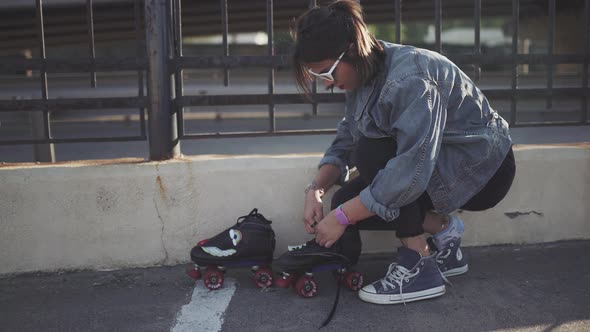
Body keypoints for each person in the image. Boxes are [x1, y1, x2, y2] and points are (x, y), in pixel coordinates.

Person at [290, 0, 515, 304]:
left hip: (482, 171)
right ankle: (446, 235)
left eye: (327, 72)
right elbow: (346, 139)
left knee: (370, 156)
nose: (327, 83)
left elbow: (410, 171)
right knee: (343, 197)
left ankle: (419, 266)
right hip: (438, 167)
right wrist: (315, 189)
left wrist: (341, 218)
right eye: (319, 76)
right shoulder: (363, 73)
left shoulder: (410, 78)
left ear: (352, 51)